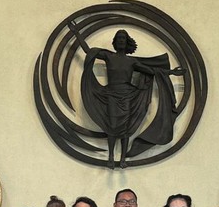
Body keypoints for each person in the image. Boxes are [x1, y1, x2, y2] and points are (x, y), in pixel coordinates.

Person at [68, 23, 185, 167]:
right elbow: (88, 50)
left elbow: (152, 71)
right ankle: (111, 157)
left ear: (127, 41)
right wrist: (76, 33)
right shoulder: (108, 56)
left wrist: (172, 72)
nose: (121, 40)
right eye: (119, 38)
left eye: (123, 38)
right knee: (112, 125)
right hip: (111, 94)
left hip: (128, 94)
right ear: (115, 42)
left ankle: (122, 159)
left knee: (125, 128)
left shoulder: (132, 61)